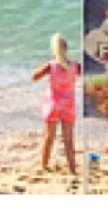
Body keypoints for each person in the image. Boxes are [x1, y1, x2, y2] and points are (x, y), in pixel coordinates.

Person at [32, 33, 80, 174]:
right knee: (68, 140)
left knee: (49, 137)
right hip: (68, 105)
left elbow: (34, 76)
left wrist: (44, 68)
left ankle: (44, 165)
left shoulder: (51, 66)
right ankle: (72, 169)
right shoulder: (76, 66)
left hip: (53, 103)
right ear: (66, 49)